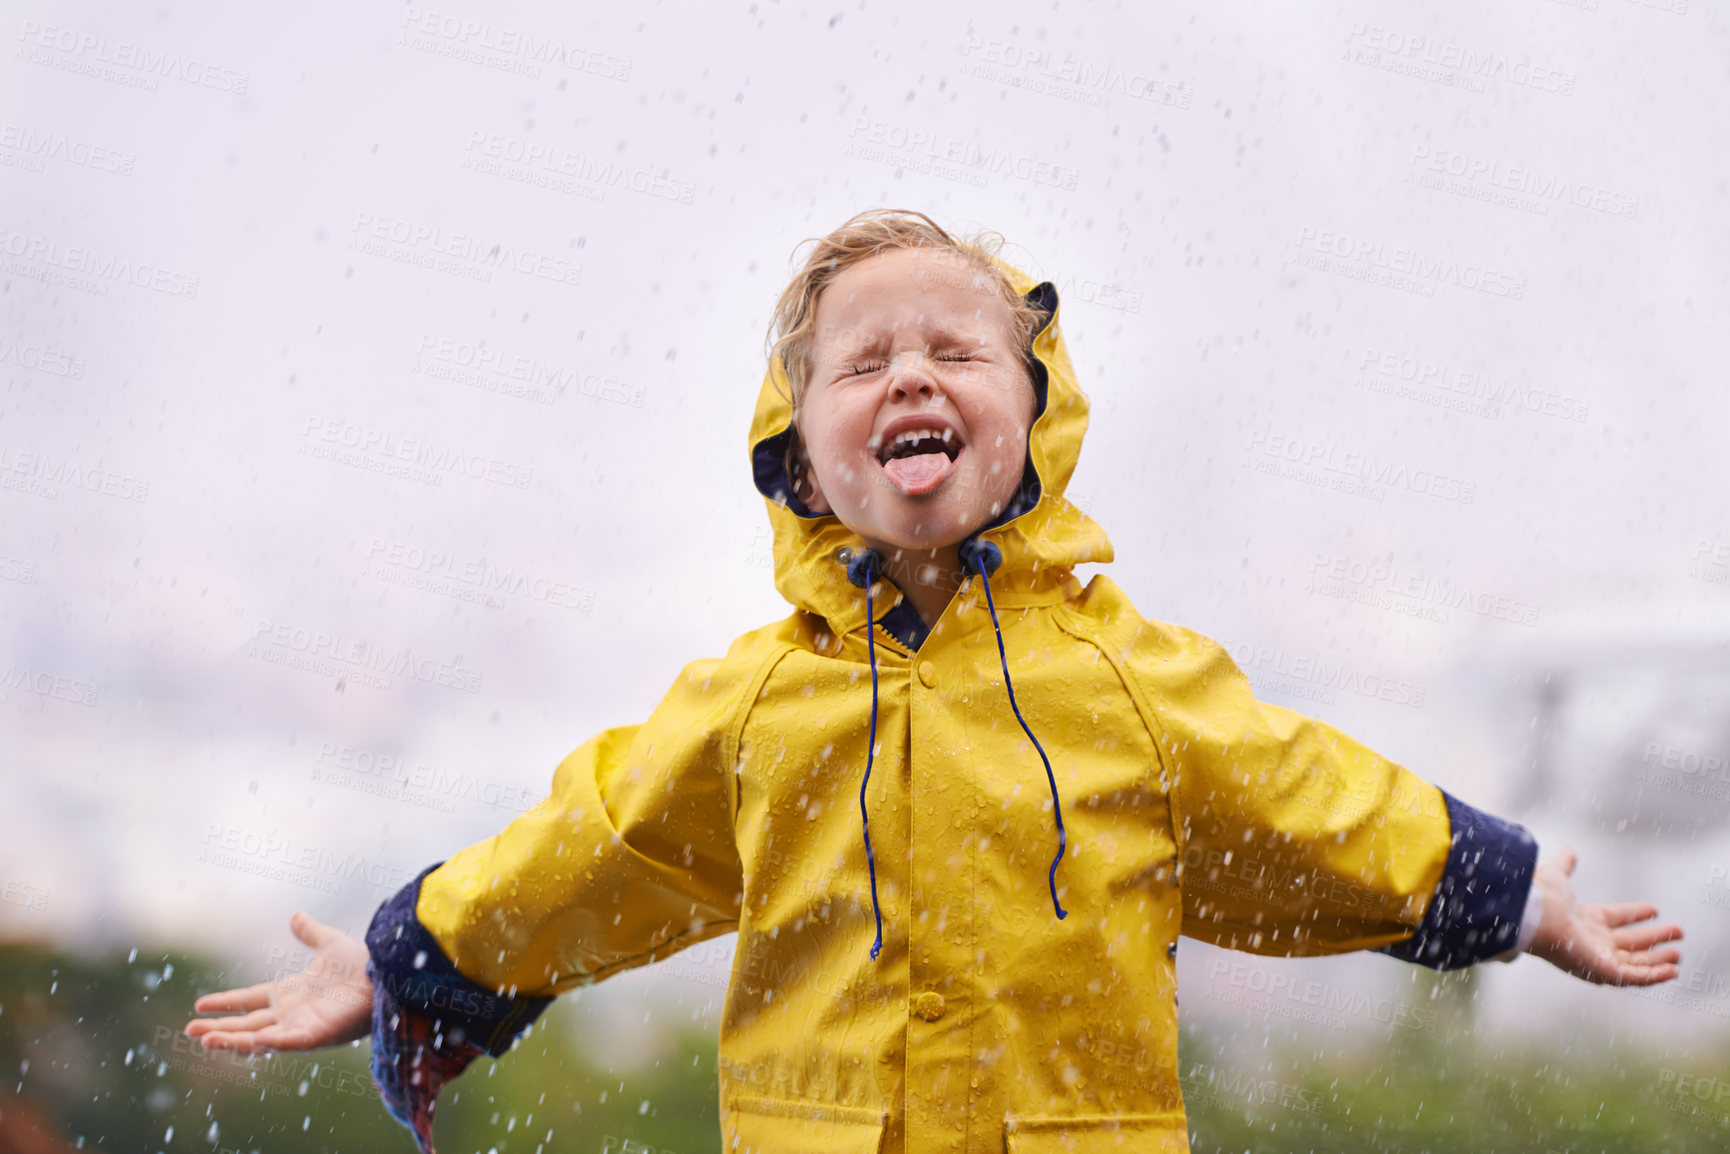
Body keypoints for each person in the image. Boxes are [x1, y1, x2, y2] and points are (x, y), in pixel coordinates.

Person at [185, 209, 1685, 1154]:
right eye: (863, 362)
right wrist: (406, 957)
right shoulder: (753, 708)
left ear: (1035, 415)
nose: (910, 374)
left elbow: (1308, 799)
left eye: (956, 348)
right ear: (801, 455)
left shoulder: (1129, 684)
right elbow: (590, 846)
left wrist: (1518, 896)